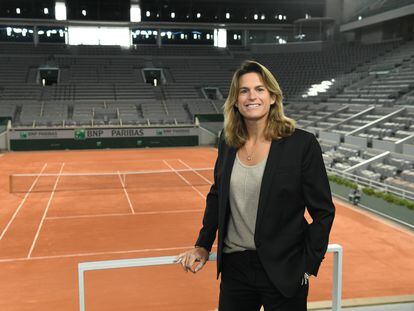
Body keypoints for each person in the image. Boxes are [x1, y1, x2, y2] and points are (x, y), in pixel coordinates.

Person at [175, 60, 335, 311]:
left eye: (260, 89)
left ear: (272, 97)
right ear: (236, 100)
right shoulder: (227, 142)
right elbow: (217, 195)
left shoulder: (302, 144)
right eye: (244, 90)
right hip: (236, 269)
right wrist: (203, 245)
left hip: (284, 268)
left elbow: (324, 211)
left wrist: (306, 264)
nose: (252, 96)